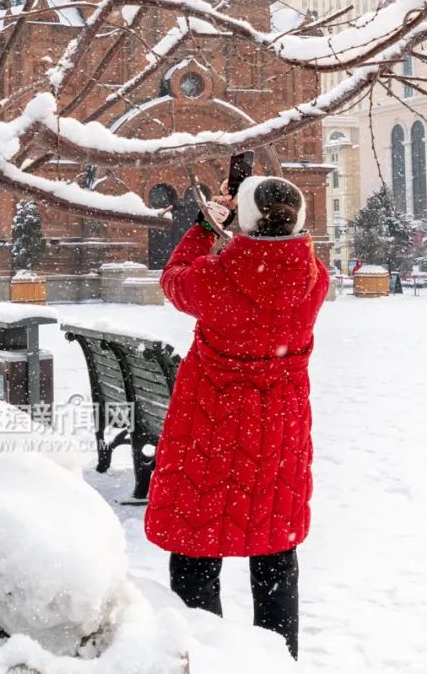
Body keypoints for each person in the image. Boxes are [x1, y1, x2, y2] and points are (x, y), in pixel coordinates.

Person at [145, 175, 329, 661]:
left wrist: (208, 226)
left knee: (196, 558)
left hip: (211, 435)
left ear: (245, 220)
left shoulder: (215, 280)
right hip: (275, 438)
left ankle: (204, 660)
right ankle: (279, 663)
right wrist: (243, 235)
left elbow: (174, 277)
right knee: (274, 555)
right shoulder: (313, 278)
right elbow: (270, 268)